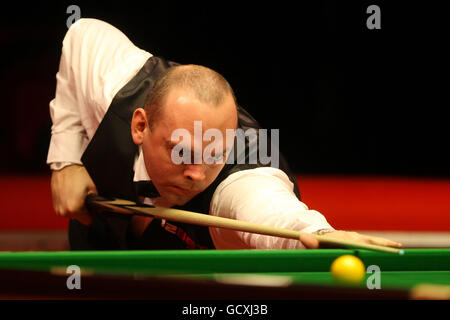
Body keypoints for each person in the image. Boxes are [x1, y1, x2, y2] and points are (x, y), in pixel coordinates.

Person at [48, 18, 402, 250]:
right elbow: (83, 34)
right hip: (95, 258)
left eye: (215, 154)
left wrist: (321, 236)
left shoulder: (245, 178)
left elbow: (272, 214)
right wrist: (64, 161)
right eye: (182, 152)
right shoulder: (118, 87)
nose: (196, 174)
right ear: (140, 125)